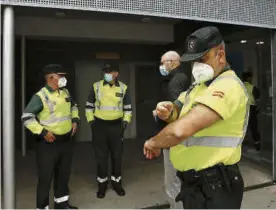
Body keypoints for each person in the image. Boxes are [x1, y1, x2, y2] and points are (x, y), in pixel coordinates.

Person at [143, 26, 248, 209]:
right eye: (194, 61)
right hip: (196, 186)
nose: (197, 66)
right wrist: (169, 111)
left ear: (221, 56)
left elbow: (179, 131)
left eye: (202, 59)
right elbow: (179, 109)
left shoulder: (228, 86)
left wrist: (154, 142)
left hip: (217, 188)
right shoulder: (199, 86)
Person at [21, 64, 79, 209]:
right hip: (48, 144)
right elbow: (26, 117)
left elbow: (74, 107)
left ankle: (61, 204)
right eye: (61, 76)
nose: (63, 78)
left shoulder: (65, 92)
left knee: (63, 175)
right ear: (52, 78)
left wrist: (75, 120)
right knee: (46, 178)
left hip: (65, 142)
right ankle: (42, 207)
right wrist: (43, 132)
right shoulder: (41, 96)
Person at [85, 63, 132, 199]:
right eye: (105, 71)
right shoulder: (96, 86)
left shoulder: (123, 88)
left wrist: (125, 123)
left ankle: (117, 184)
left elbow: (128, 108)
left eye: (109, 71)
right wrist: (91, 122)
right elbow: (89, 106)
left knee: (117, 157)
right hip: (99, 126)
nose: (106, 73)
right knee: (101, 158)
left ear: (116, 73)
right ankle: (102, 186)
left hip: (116, 127)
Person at [156, 51, 190, 208]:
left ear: (172, 62)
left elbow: (175, 113)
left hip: (173, 138)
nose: (161, 66)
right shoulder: (178, 78)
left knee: (172, 182)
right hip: (179, 136)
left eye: (163, 62)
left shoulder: (176, 81)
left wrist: (158, 115)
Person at [242, 71, 261, 151]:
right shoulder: (253, 88)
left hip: (241, 109)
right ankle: (257, 146)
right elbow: (258, 101)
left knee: (242, 128)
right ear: (249, 78)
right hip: (251, 108)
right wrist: (257, 110)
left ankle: (240, 147)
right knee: (254, 128)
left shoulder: (239, 86)